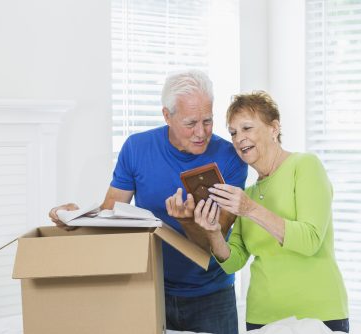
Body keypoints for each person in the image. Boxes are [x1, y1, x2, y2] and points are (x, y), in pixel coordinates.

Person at [48, 70, 248, 334]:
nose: (201, 132)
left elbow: (217, 238)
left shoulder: (230, 157)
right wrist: (74, 218)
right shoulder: (137, 148)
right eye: (191, 123)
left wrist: (186, 220)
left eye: (208, 121)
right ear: (167, 115)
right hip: (150, 288)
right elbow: (110, 214)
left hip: (211, 295)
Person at [189, 91, 349, 332]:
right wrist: (213, 232)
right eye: (233, 133)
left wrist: (251, 209)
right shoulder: (248, 193)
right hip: (263, 318)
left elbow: (310, 240)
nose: (239, 138)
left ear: (274, 128)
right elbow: (234, 261)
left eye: (247, 128)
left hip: (318, 314)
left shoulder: (305, 166)